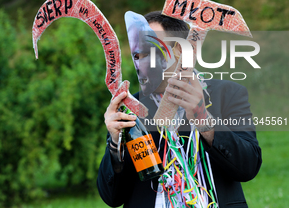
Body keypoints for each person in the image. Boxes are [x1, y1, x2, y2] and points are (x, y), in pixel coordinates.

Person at [97, 11, 262, 208]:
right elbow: (112, 197)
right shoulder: (132, 108)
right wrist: (116, 143)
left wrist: (204, 121)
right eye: (137, 55)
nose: (140, 63)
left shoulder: (227, 94)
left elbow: (249, 166)